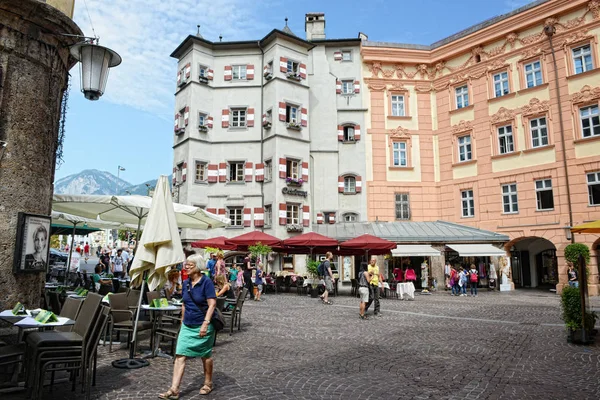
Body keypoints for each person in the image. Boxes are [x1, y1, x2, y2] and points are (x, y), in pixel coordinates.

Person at [159, 254, 217, 398]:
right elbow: (185, 303)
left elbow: (212, 304)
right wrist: (182, 319)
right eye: (186, 264)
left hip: (203, 324)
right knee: (180, 355)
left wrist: (205, 323)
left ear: (198, 266)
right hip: (187, 325)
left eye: (190, 265)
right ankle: (174, 389)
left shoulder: (206, 282)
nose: (186, 267)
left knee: (205, 355)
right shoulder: (185, 283)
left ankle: (208, 383)